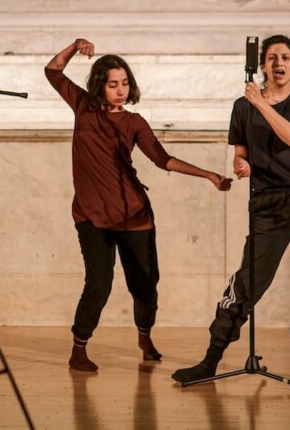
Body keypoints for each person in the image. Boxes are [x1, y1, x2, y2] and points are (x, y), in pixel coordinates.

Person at [46, 38, 233, 372]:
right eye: (113, 84)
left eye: (125, 83)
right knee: (99, 283)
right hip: (92, 216)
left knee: (145, 286)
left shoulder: (135, 123)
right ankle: (79, 348)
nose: (120, 90)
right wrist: (75, 46)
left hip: (134, 214)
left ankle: (144, 336)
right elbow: (53, 70)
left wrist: (209, 175)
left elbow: (163, 160)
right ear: (100, 85)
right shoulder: (83, 107)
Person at [171, 35, 290, 385]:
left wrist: (262, 104)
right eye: (272, 57)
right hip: (269, 201)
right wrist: (241, 164)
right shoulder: (242, 106)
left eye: (286, 57)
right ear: (262, 65)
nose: (279, 62)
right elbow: (240, 152)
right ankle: (210, 361)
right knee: (247, 281)